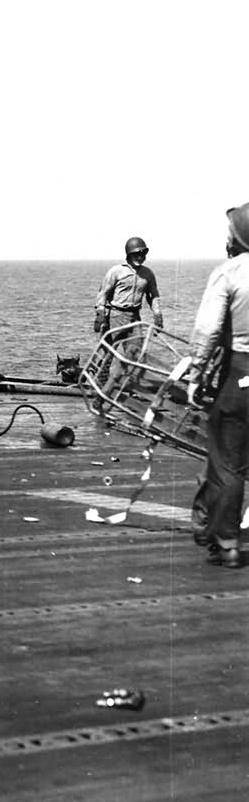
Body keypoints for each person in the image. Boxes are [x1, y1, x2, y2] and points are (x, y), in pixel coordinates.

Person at [188, 205, 249, 569]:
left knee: (227, 462)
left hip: (240, 372)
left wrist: (195, 373)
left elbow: (209, 330)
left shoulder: (229, 273)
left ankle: (226, 541)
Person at [94, 236, 164, 340]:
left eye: (142, 254)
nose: (140, 257)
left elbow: (153, 296)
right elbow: (103, 293)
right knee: (107, 352)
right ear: (129, 255)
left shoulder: (148, 274)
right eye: (136, 255)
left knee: (136, 353)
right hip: (116, 317)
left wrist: (157, 315)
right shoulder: (116, 271)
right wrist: (100, 314)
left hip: (135, 318)